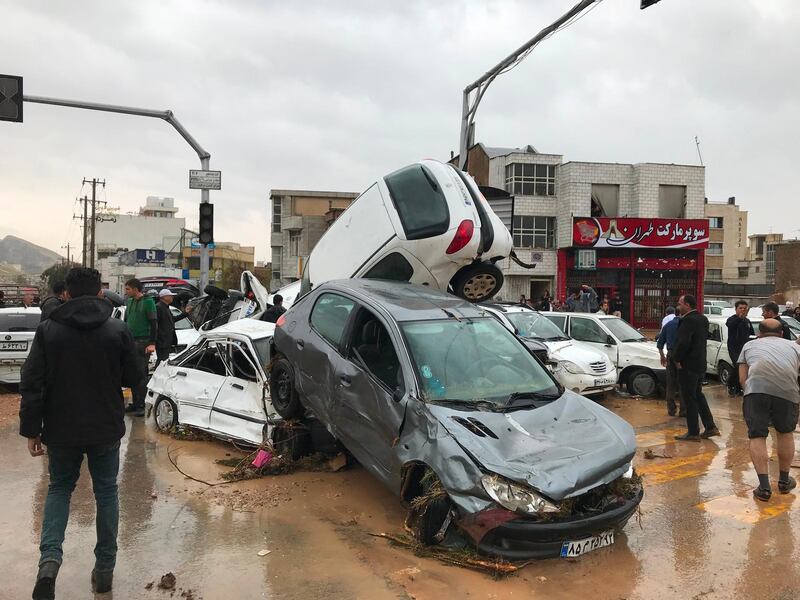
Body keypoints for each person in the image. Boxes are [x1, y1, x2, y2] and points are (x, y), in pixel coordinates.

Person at [19, 267, 141, 598]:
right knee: (106, 493)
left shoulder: (48, 330)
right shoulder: (117, 329)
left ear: (67, 295)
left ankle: (49, 564)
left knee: (59, 489)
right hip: (105, 427)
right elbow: (134, 377)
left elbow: (31, 382)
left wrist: (32, 429)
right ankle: (104, 572)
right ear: (100, 293)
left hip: (60, 428)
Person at [738, 319, 800, 501]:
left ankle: (764, 488)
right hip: (787, 393)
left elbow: (743, 378)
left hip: (756, 391)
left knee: (757, 435)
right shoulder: (794, 347)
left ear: (759, 333)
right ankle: (783, 481)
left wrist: (749, 392)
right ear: (782, 333)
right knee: (785, 433)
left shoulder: (749, 346)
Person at [672, 294, 719, 441]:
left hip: (688, 365)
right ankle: (710, 426)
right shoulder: (702, 319)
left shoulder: (688, 320)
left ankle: (693, 432)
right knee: (698, 395)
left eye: (680, 303)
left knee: (689, 398)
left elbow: (683, 342)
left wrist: (676, 358)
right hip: (700, 364)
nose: (678, 307)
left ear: (687, 304)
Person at [123, 279, 157, 416]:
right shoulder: (129, 302)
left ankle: (141, 405)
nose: (126, 292)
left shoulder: (148, 302)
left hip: (143, 341)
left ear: (136, 289)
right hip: (130, 341)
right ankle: (135, 403)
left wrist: (152, 343)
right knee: (131, 372)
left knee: (141, 373)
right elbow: (126, 321)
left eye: (128, 289)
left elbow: (154, 323)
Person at [155, 289, 192, 364]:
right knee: (161, 361)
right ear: (164, 297)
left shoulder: (166, 307)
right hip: (162, 341)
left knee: (164, 360)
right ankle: (157, 374)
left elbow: (173, 319)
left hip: (167, 340)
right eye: (170, 296)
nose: (172, 297)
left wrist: (186, 313)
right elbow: (155, 325)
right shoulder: (158, 307)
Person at [657, 314, 684, 417]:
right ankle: (684, 410)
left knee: (671, 383)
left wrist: (662, 356)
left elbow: (660, 344)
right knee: (683, 383)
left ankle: (671, 409)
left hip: (670, 354)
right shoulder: (685, 325)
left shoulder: (668, 325)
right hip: (682, 356)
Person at [725, 300, 754, 396]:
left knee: (744, 368)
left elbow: (751, 334)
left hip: (745, 347)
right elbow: (730, 325)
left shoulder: (747, 321)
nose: (743, 310)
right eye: (740, 308)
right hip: (734, 348)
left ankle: (738, 387)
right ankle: (730, 383)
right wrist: (739, 318)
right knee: (738, 365)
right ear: (736, 309)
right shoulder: (732, 319)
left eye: (745, 309)